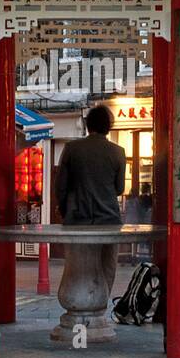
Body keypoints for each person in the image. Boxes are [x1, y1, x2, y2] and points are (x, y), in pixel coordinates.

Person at [55, 104, 125, 298]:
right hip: (109, 220)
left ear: (88, 125)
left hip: (77, 220)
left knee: (77, 268)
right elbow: (119, 189)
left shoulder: (71, 148)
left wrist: (64, 209)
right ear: (108, 127)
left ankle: (78, 306)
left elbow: (60, 186)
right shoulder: (118, 152)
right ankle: (99, 306)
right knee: (106, 268)